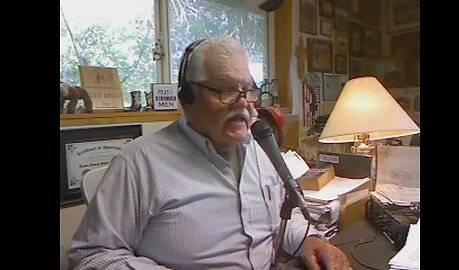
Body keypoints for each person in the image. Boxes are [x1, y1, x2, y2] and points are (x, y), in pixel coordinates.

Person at [68, 36, 352, 270]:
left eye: (249, 90)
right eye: (226, 90)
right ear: (187, 99)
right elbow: (91, 257)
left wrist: (309, 241)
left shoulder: (260, 149)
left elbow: (281, 217)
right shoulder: (138, 164)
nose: (244, 105)